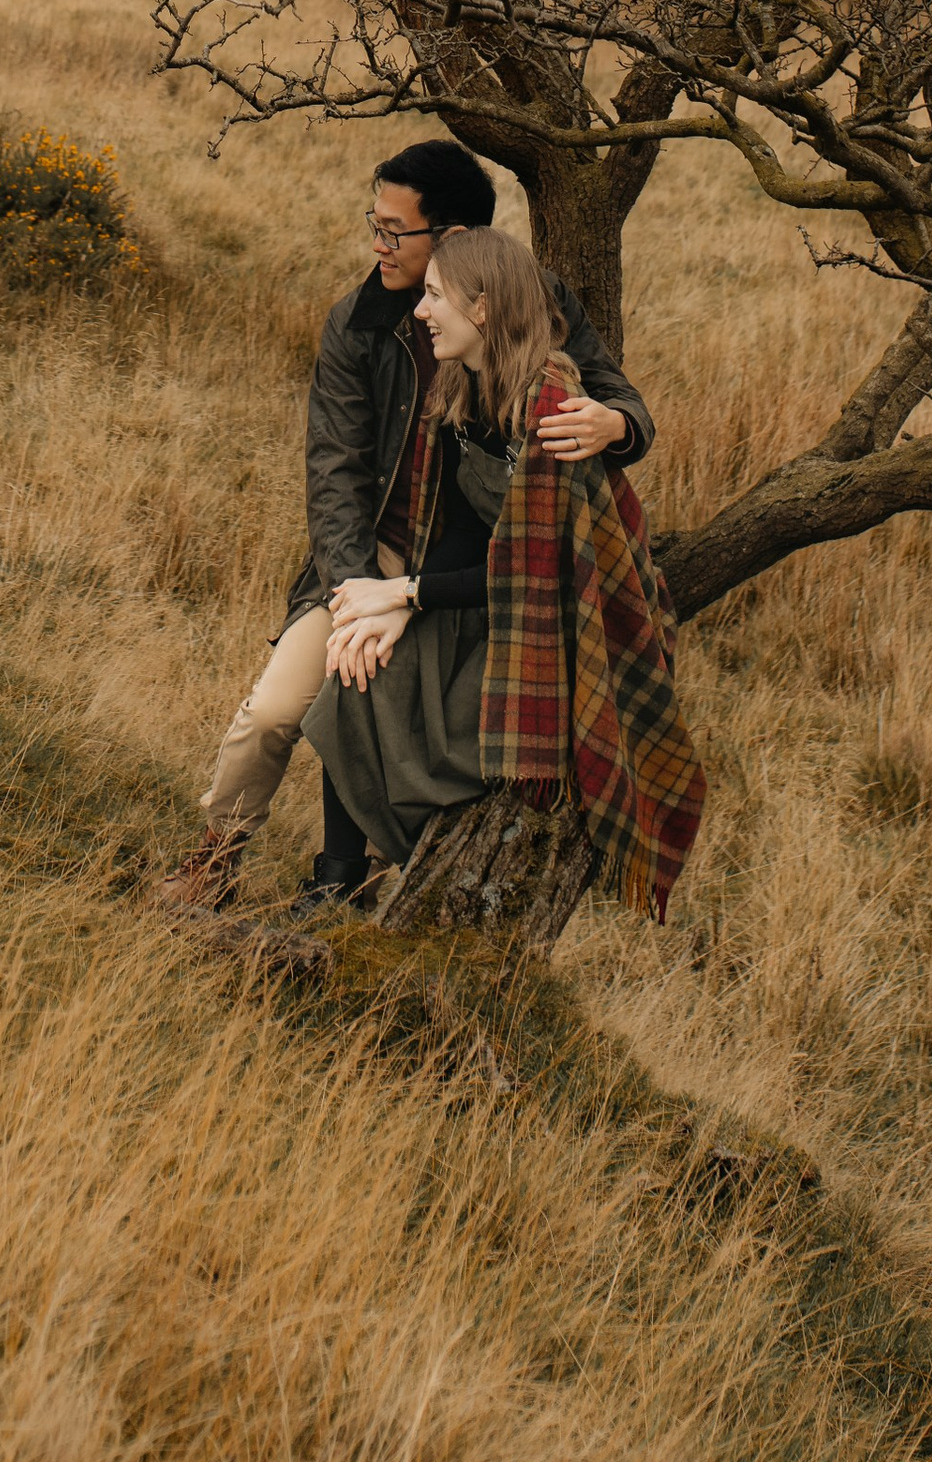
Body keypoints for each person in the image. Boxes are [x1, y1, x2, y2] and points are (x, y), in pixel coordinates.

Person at [153, 138, 652, 910]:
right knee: (277, 711)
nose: (377, 245)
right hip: (376, 559)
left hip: (478, 576)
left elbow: (618, 400)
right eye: (374, 224)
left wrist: (616, 425)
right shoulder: (359, 325)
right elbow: (336, 475)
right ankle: (213, 864)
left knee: (395, 710)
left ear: (450, 240)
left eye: (394, 230)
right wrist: (360, 593)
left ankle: (351, 884)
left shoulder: (524, 300)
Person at [306, 224, 704, 920]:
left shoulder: (549, 411)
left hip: (564, 633)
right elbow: (465, 527)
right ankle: (337, 891)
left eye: (434, 296)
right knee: (357, 670)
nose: (421, 310)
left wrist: (403, 590)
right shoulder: (468, 387)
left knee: (434, 726)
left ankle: (422, 877)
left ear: (483, 310)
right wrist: (393, 611)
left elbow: (535, 573)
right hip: (494, 604)